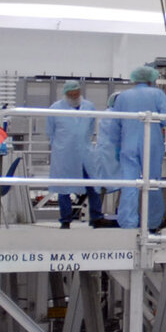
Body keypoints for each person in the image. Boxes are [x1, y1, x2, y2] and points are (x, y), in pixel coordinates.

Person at [102, 65, 166, 231]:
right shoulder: (157, 94)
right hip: (151, 143)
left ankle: (128, 223)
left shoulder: (123, 97)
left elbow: (115, 126)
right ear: (151, 80)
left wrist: (118, 147)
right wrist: (157, 123)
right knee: (152, 182)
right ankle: (153, 223)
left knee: (130, 183)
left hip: (128, 143)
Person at [48, 81, 103, 228]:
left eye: (76, 93)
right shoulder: (55, 108)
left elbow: (91, 127)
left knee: (92, 184)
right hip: (64, 153)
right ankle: (65, 220)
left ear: (80, 92)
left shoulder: (89, 106)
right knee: (63, 188)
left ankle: (96, 217)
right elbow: (51, 132)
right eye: (70, 94)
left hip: (85, 152)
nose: (74, 96)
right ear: (65, 94)